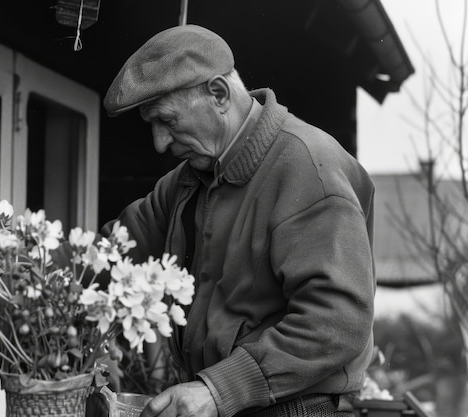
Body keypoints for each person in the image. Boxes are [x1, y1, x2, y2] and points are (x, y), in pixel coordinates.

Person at [101, 24, 376, 417]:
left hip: (290, 407)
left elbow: (336, 323)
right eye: (152, 126)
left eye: (168, 121)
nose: (160, 143)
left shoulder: (309, 168)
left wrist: (217, 391)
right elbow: (112, 254)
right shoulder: (188, 179)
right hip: (219, 399)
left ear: (218, 94)